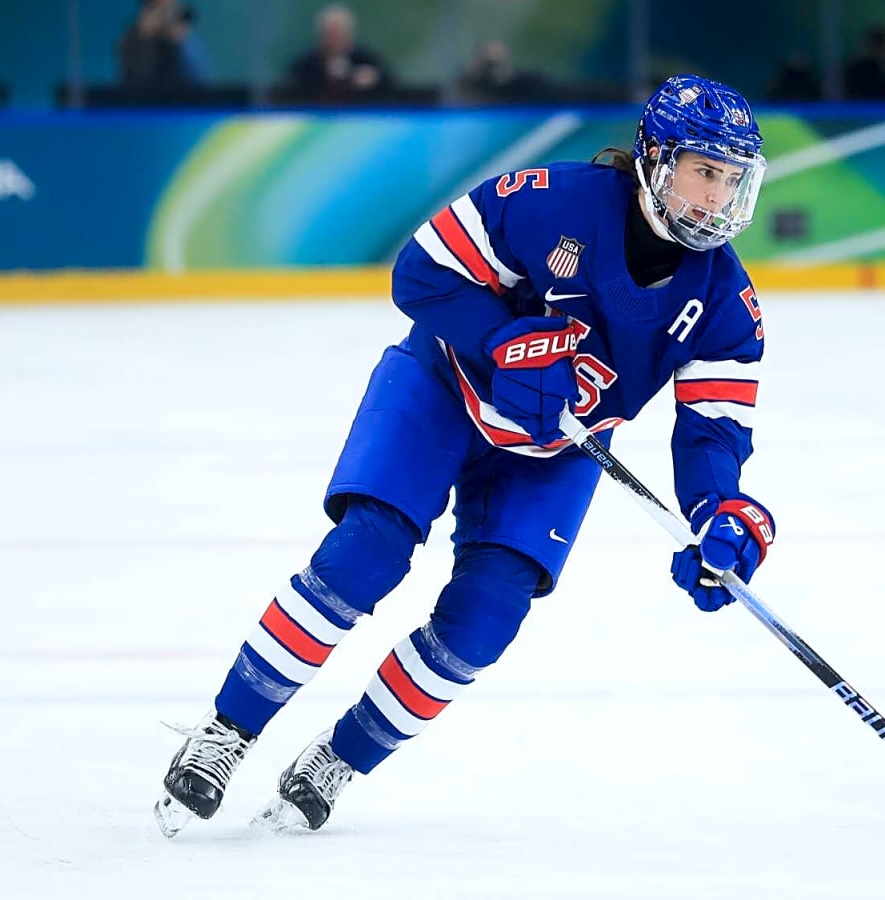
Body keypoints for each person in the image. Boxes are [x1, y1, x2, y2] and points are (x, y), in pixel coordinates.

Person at [152, 74, 776, 837]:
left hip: (554, 449)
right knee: (363, 554)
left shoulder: (726, 305)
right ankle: (228, 731)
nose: (715, 197)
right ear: (654, 158)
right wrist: (503, 339)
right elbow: (418, 273)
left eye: (730, 178)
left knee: (486, 618)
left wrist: (722, 516)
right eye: (702, 171)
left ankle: (338, 759)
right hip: (442, 390)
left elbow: (712, 433)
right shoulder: (547, 200)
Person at [280, 3, 392, 104]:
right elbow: (287, 93)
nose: (335, 41)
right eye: (330, 35)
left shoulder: (367, 61)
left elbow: (394, 90)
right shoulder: (305, 65)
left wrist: (374, 81)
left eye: (339, 34)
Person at [117, 0, 204, 90]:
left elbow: (198, 79)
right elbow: (136, 82)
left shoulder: (185, 39)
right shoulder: (132, 38)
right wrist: (145, 40)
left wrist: (180, 43)